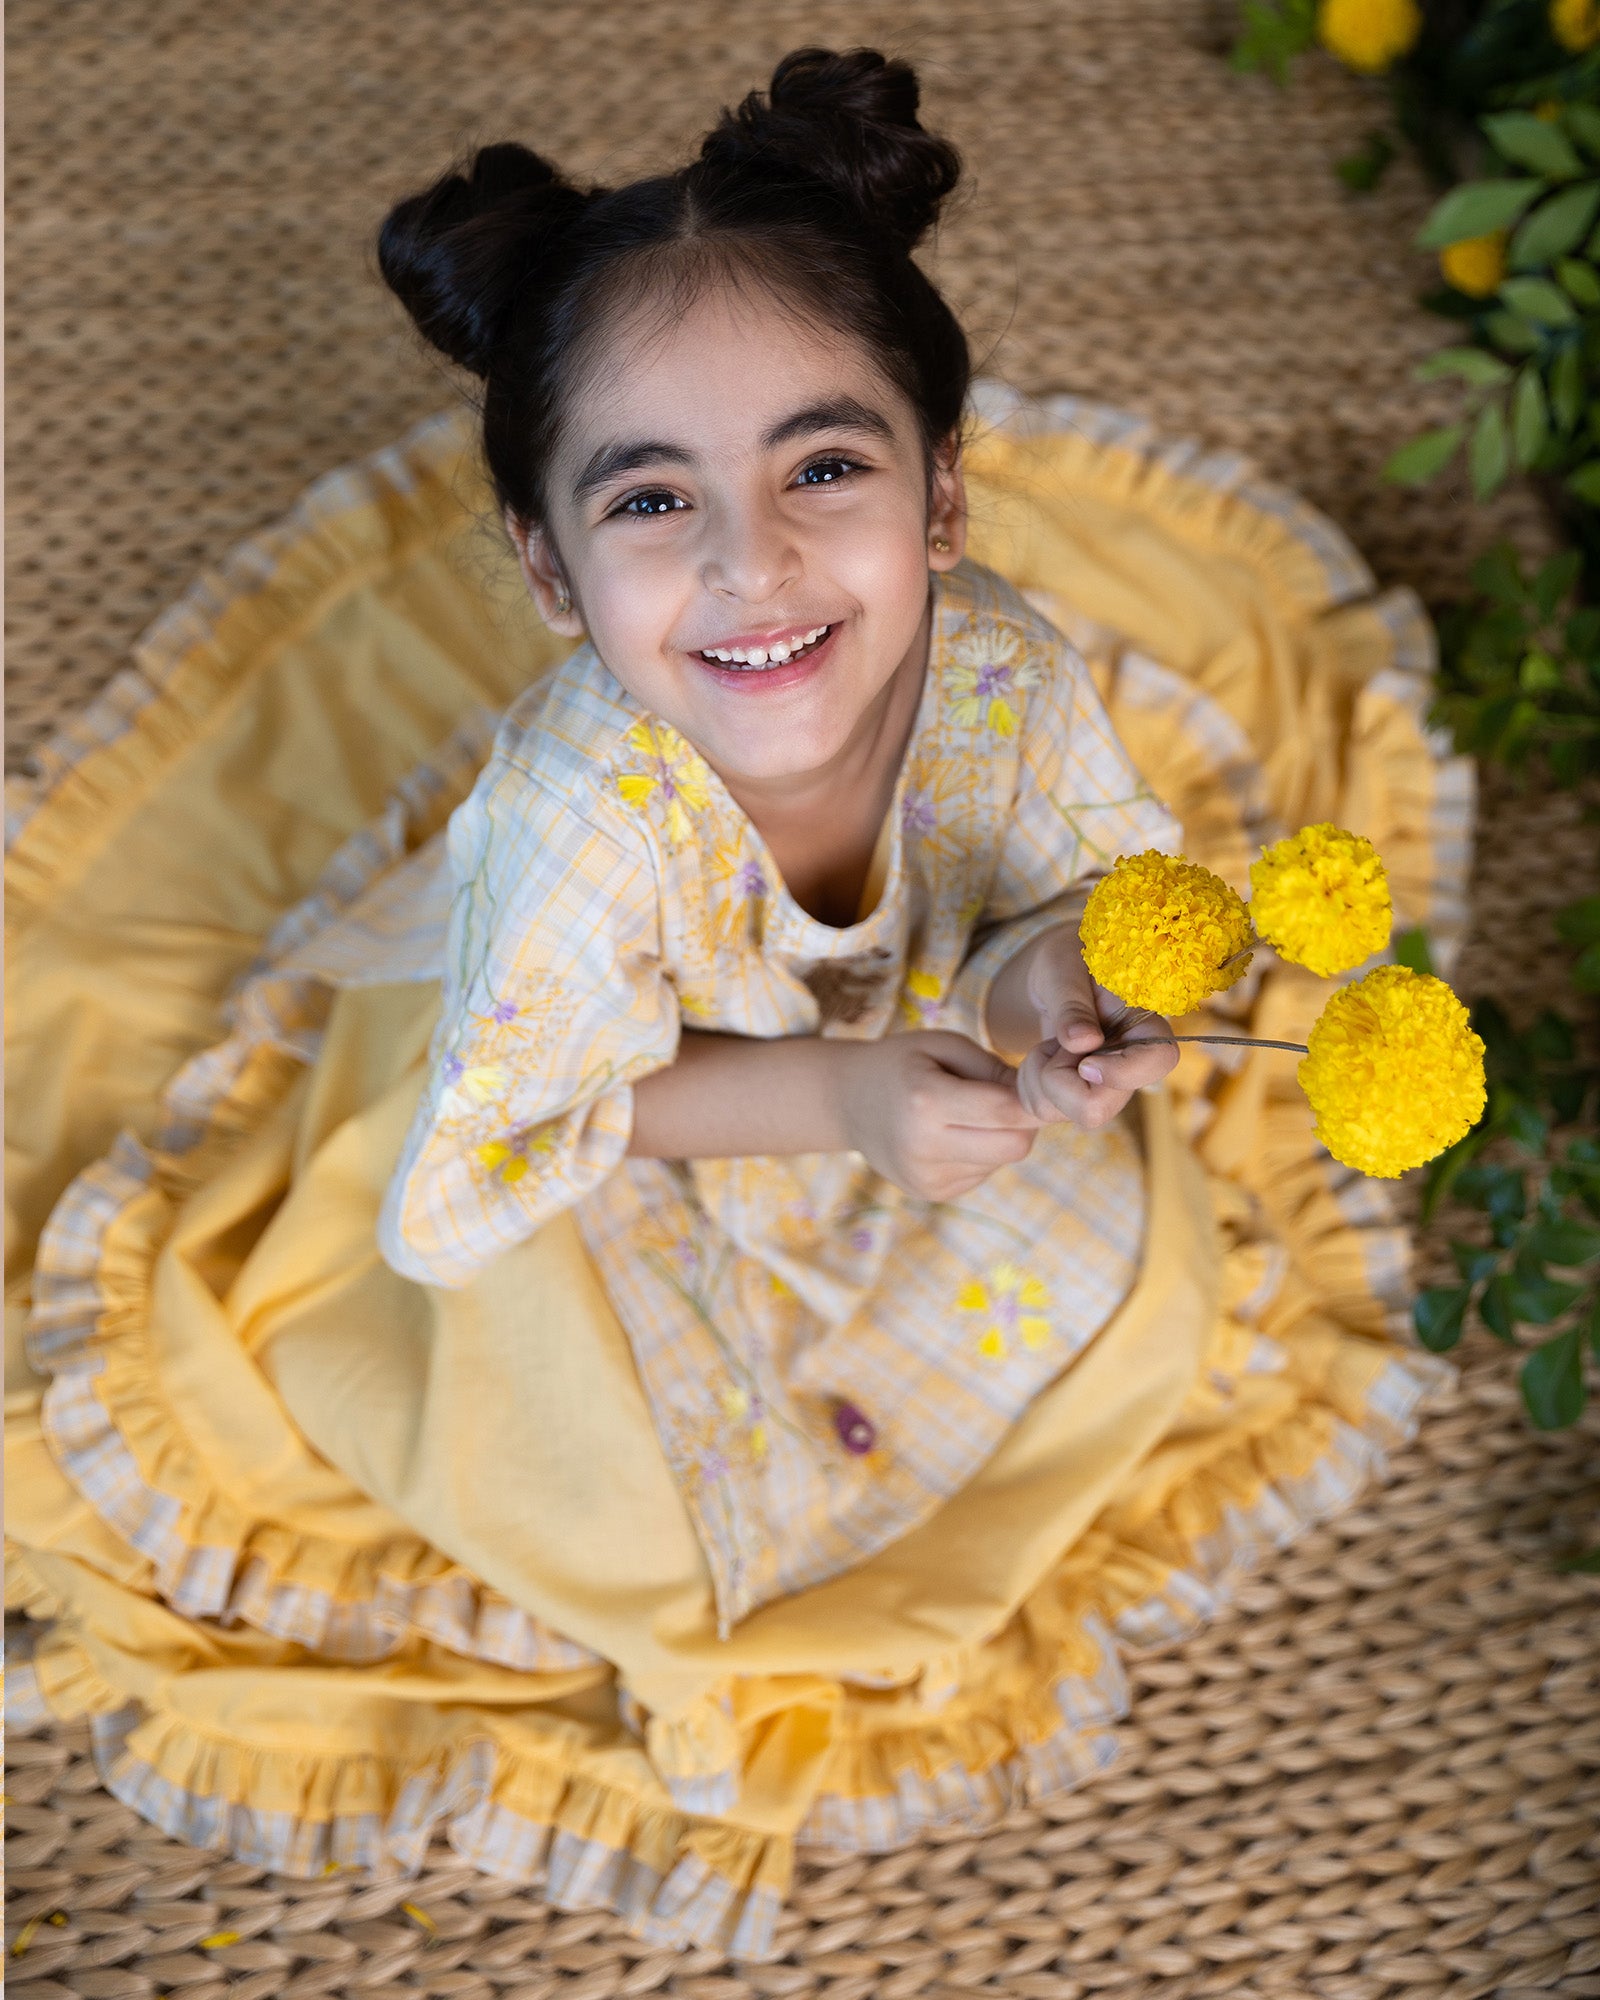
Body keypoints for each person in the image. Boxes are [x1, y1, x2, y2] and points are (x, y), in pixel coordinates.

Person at [5, 48, 1461, 1960]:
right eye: (651, 501)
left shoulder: (1003, 674)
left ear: (944, 497)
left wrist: (1066, 999)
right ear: (549, 570)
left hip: (894, 1088)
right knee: (625, 1531)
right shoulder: (576, 827)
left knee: (1155, 1295)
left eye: (824, 467)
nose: (751, 561)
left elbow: (1042, 902)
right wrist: (847, 1102)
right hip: (623, 1128)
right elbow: (555, 1117)